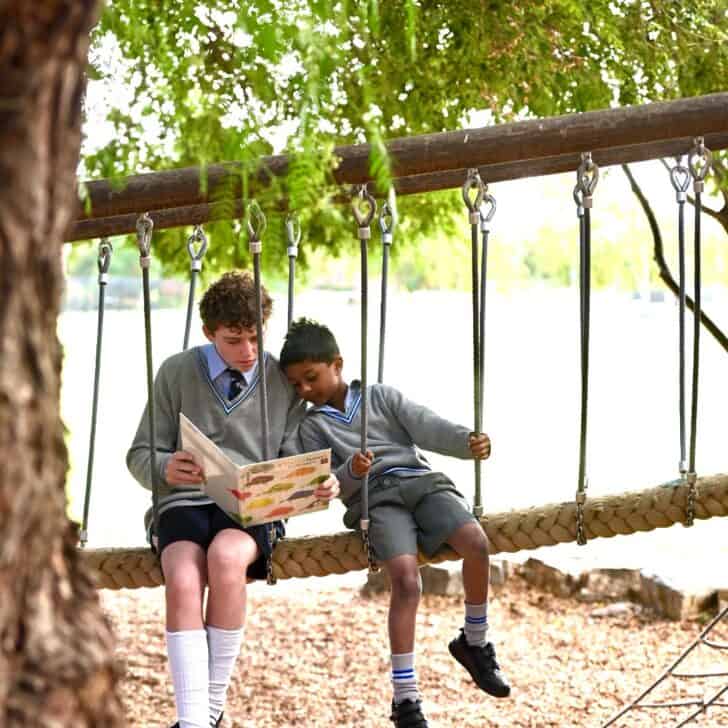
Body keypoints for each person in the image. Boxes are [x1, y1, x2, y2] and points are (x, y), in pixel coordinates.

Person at [127, 273, 339, 728]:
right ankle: (195, 720)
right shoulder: (176, 372)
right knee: (183, 577)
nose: (248, 351)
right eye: (234, 340)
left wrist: (319, 484)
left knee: (225, 559)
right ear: (209, 333)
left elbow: (295, 459)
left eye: (256, 337)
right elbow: (140, 454)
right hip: (183, 503)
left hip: (252, 509)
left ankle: (206, 711)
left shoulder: (281, 382)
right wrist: (165, 467)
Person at [280, 318, 510, 728]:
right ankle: (405, 698)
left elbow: (425, 425)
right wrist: (350, 471)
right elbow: (325, 484)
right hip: (376, 502)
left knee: (476, 543)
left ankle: (474, 641)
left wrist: (466, 442)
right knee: (405, 580)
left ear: (337, 364)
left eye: (311, 378)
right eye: (296, 385)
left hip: (421, 482)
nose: (305, 390)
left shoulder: (380, 397)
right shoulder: (311, 428)